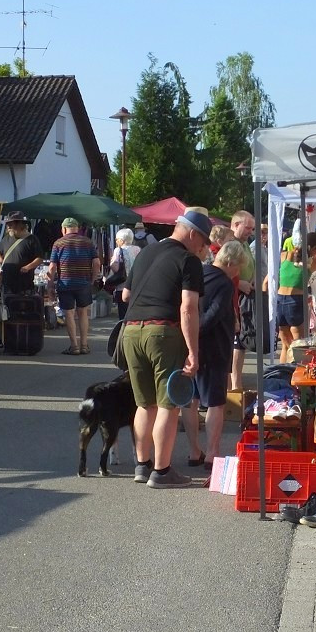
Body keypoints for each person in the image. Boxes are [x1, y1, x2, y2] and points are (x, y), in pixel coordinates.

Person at [122, 209, 212, 489]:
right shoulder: (188, 260)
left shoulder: (145, 253)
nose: (204, 248)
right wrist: (193, 351)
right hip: (163, 331)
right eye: (204, 241)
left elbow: (125, 294)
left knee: (143, 403)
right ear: (193, 234)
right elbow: (188, 308)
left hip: (131, 331)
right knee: (168, 404)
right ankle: (162, 471)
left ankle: (142, 463)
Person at [182, 240, 246, 470]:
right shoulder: (224, 283)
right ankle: (212, 452)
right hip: (215, 347)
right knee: (215, 402)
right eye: (237, 267)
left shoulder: (200, 274)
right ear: (229, 262)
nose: (237, 272)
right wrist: (199, 331)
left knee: (190, 400)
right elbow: (215, 312)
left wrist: (189, 336)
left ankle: (193, 451)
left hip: (190, 345)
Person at [276, 232, 316, 362]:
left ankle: (283, 373)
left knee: (285, 344)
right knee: (300, 344)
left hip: (279, 300)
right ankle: (298, 376)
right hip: (295, 302)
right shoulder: (311, 262)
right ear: (312, 248)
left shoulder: (284, 256)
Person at [48, 217, 101, 356]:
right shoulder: (88, 242)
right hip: (83, 283)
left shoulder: (58, 243)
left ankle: (74, 346)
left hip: (65, 283)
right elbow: (96, 263)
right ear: (77, 228)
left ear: (64, 229)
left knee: (69, 313)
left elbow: (52, 267)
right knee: (83, 313)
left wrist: (50, 286)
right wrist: (93, 278)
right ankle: (84, 345)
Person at [229, 210, 256, 391]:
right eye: (247, 228)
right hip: (234, 300)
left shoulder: (244, 244)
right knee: (237, 344)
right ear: (236, 225)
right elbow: (222, 271)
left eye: (252, 229)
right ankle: (234, 387)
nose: (250, 232)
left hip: (243, 299)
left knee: (241, 344)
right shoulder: (230, 244)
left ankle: (235, 386)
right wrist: (241, 284)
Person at [0, 211, 44, 295]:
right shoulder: (6, 239)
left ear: (19, 224)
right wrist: (1, 260)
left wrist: (28, 267)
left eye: (10, 224)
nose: (8, 227)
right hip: (7, 284)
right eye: (8, 224)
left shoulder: (32, 239)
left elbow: (39, 258)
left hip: (24, 285)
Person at [107, 228, 141, 319]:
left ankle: (123, 331)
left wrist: (111, 263)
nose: (116, 241)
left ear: (122, 240)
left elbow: (115, 268)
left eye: (117, 239)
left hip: (123, 285)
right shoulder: (138, 249)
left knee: (123, 313)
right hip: (136, 285)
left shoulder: (118, 250)